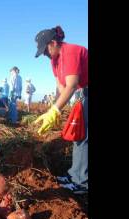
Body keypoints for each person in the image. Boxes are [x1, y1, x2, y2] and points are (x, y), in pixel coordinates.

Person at [33, 25, 88, 194]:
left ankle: (82, 183)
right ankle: (75, 175)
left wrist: (55, 110)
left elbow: (71, 86)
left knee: (85, 136)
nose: (45, 54)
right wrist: (53, 109)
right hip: (83, 92)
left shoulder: (70, 51)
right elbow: (61, 87)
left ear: (53, 43)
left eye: (45, 49)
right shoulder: (54, 60)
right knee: (78, 133)